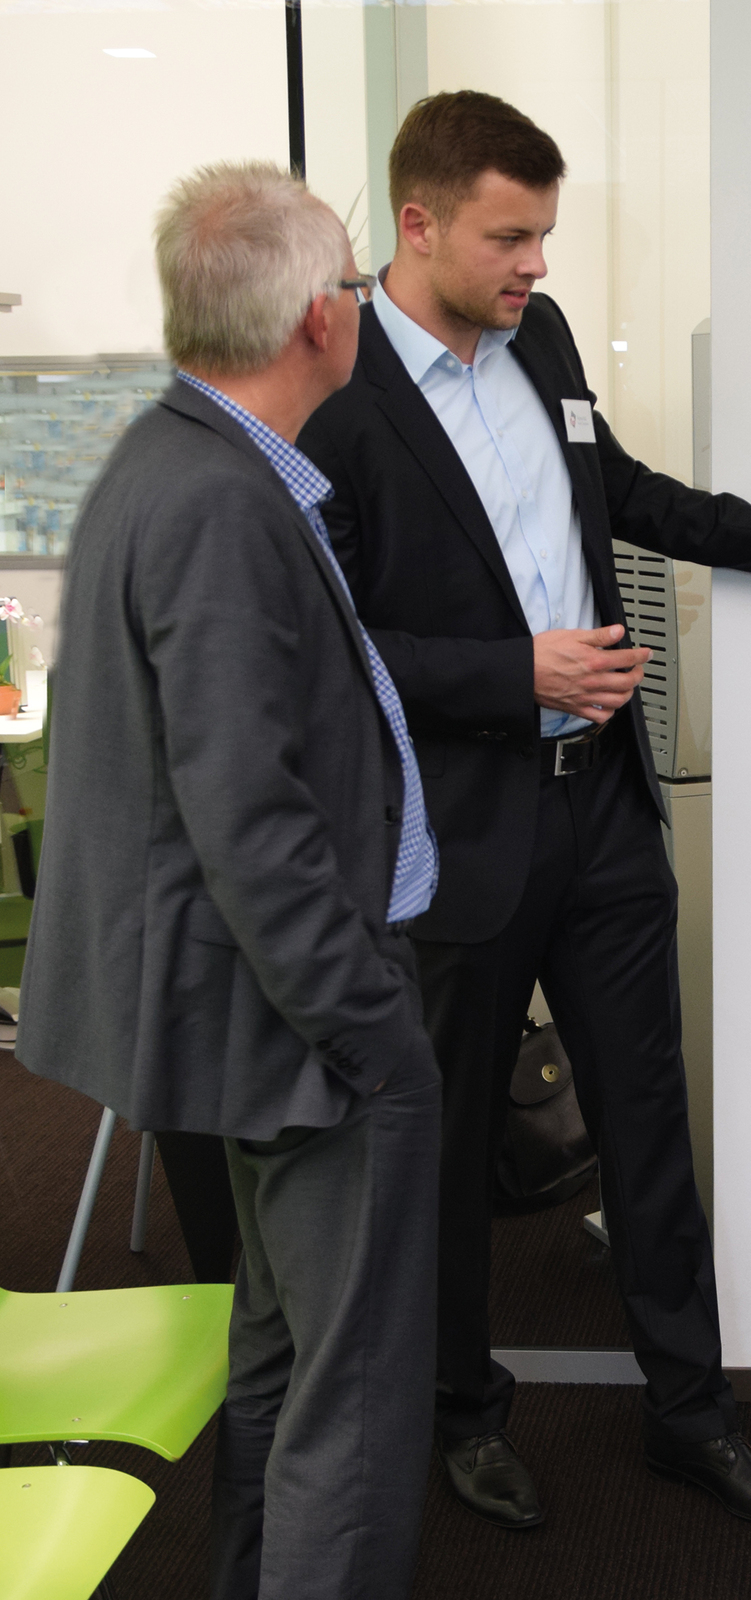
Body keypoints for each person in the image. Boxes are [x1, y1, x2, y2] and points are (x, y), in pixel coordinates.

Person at [298, 91, 751, 1531]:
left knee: (648, 1126)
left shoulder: (545, 337)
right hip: (458, 838)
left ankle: (690, 1417)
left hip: (604, 817)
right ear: (418, 224)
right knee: (446, 1153)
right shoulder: (332, 386)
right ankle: (463, 1415)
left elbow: (618, 489)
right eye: (508, 238)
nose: (536, 264)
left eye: (544, 236)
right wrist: (510, 675)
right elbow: (326, 641)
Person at [16, 162, 443, 1600]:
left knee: (279, 1347)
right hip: (294, 1026)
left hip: (243, 1014)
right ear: (320, 318)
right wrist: (372, 1032)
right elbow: (250, 818)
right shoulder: (220, 501)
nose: (366, 308)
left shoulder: (174, 460)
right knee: (353, 1395)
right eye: (358, 286)